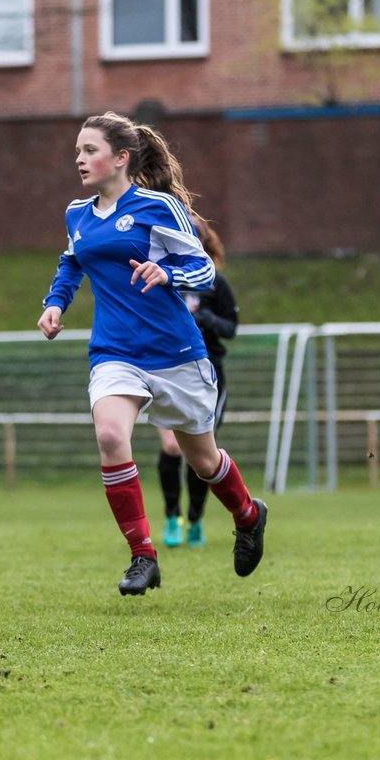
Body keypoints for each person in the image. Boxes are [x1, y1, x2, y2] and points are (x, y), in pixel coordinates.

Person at [38, 111, 268, 596]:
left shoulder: (158, 207)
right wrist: (55, 304)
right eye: (77, 151)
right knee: (109, 435)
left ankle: (248, 514)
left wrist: (169, 275)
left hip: (176, 352)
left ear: (120, 158)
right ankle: (143, 556)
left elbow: (203, 270)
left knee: (204, 464)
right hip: (115, 352)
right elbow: (70, 263)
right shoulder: (76, 215)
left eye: (89, 150)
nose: (79, 159)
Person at [156, 222, 239, 549]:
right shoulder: (160, 276)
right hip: (166, 370)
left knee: (201, 454)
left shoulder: (214, 283)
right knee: (172, 446)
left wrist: (208, 321)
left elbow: (231, 327)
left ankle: (195, 518)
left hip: (208, 374)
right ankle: (172, 516)